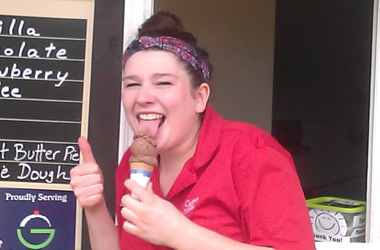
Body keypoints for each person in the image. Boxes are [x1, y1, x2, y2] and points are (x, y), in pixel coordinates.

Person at [70, 11, 316, 250]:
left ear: (200, 97)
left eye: (163, 83)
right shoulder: (130, 165)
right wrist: (95, 208)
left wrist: (179, 233)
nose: (143, 97)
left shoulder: (251, 154)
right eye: (132, 84)